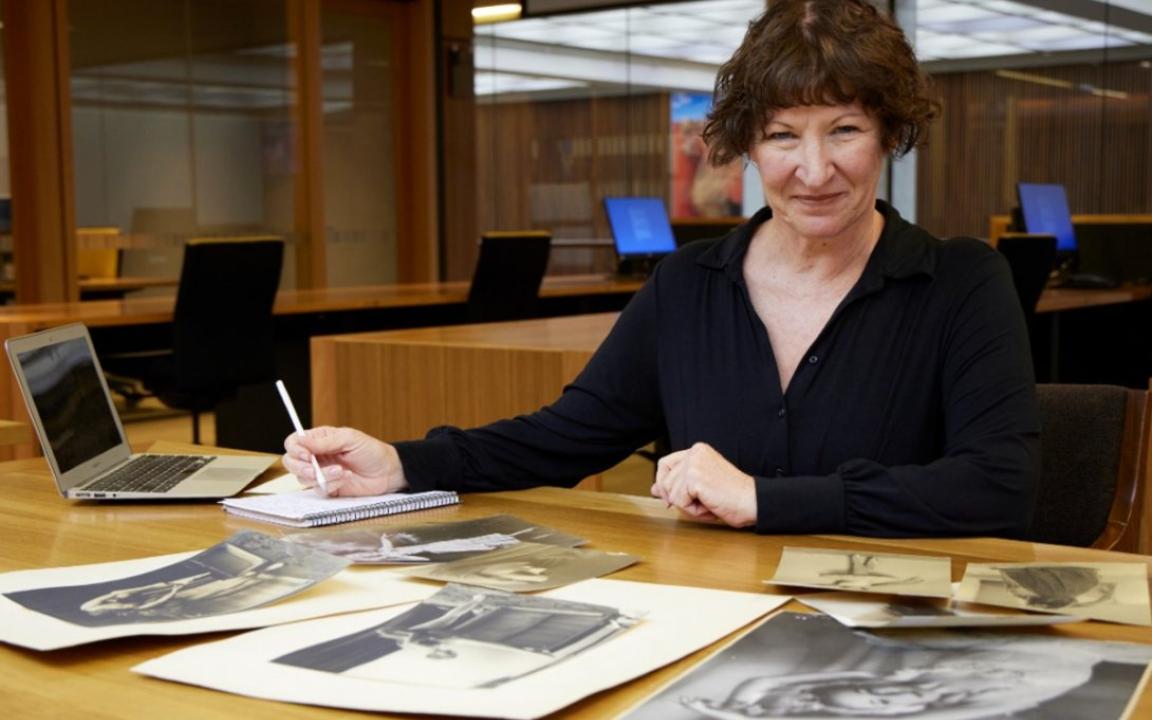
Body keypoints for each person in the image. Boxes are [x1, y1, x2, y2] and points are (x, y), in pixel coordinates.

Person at [283, 0, 1038, 538]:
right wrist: (401, 465)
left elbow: (997, 487)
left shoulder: (963, 282)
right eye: (782, 135)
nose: (814, 169)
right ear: (746, 147)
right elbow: (567, 436)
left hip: (891, 632)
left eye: (844, 130)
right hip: (707, 613)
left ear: (888, 136)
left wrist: (765, 501)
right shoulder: (686, 285)